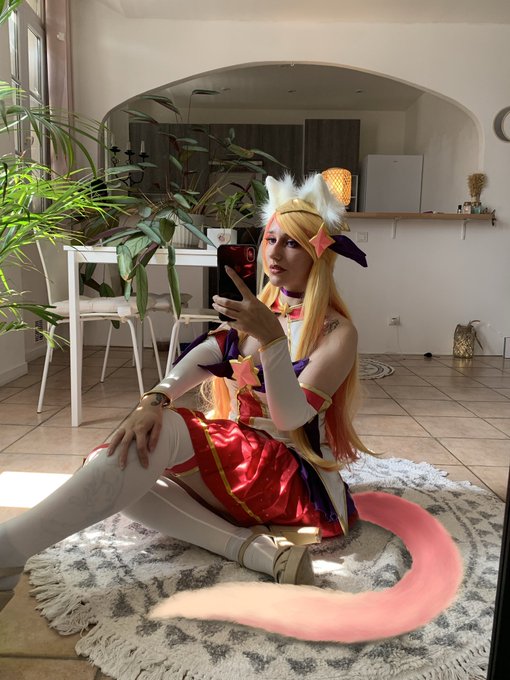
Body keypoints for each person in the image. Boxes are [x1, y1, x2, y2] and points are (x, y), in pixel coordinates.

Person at [0, 173, 368, 608]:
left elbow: (290, 420)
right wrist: (153, 400)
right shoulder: (257, 314)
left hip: (297, 483)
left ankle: (8, 549)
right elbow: (199, 358)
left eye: (292, 243)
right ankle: (260, 554)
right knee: (127, 458)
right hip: (248, 468)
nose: (274, 253)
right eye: (270, 239)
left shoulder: (337, 331)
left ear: (318, 252)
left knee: (160, 436)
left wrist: (271, 340)